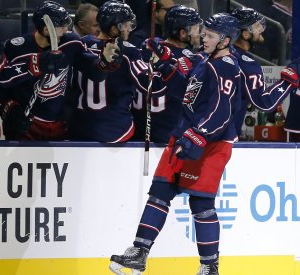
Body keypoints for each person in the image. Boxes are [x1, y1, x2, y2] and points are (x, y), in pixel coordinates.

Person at [110, 13, 242, 275]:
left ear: (225, 40)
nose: (204, 37)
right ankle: (139, 252)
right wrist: (167, 64)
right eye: (205, 32)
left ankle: (209, 267)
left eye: (212, 35)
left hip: (210, 144)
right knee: (159, 192)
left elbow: (221, 112)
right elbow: (187, 90)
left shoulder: (226, 66)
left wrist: (199, 135)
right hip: (183, 135)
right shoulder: (206, 60)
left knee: (201, 204)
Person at [0, 0, 119, 141]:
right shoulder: (17, 47)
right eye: (62, 26)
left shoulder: (71, 42)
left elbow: (93, 71)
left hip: (58, 125)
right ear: (47, 29)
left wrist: (105, 62)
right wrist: (10, 109)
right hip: (26, 126)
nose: (66, 30)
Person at [68, 1, 165, 142]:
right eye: (125, 25)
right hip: (115, 130)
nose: (129, 29)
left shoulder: (82, 44)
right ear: (114, 29)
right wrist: (158, 64)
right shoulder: (129, 51)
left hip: (79, 128)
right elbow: (152, 88)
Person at [132, 5, 202, 143]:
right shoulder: (192, 60)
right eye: (195, 28)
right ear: (183, 33)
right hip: (170, 134)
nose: (199, 33)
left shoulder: (149, 47)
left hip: (140, 130)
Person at [230, 7, 300, 138]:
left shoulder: (216, 54)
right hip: (223, 138)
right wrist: (290, 78)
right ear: (245, 34)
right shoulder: (246, 63)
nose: (261, 29)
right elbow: (265, 103)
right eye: (257, 26)